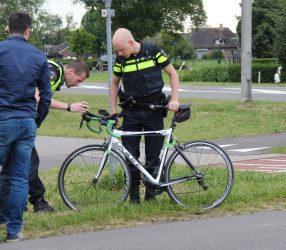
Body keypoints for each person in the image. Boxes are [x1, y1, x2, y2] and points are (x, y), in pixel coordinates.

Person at [0, 59, 90, 218]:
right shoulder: (54, 72)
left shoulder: (54, 69)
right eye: (78, 80)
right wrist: (69, 107)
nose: (77, 84)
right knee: (27, 162)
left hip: (13, 117)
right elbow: (39, 96)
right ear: (71, 72)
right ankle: (36, 202)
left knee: (16, 164)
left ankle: (16, 205)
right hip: (15, 120)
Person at [110, 28, 179, 204]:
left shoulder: (153, 51)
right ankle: (133, 196)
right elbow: (115, 84)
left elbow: (172, 73)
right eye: (117, 51)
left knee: (153, 155)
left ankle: (151, 194)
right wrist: (113, 112)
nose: (119, 54)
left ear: (131, 43)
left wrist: (175, 99)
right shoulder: (121, 60)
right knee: (130, 155)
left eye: (121, 50)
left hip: (154, 111)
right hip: (131, 112)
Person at [0, 12, 52, 241]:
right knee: (21, 178)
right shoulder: (39, 56)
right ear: (28, 30)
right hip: (26, 122)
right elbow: (46, 96)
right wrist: (35, 120)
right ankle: (13, 231)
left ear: (8, 28)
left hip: (3, 119)